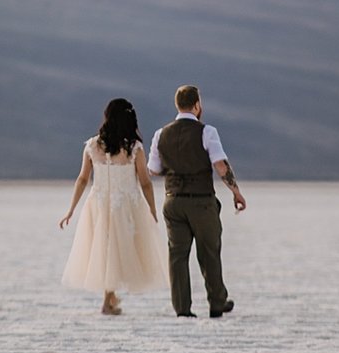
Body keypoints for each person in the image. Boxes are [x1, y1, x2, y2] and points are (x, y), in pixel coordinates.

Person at [59, 98, 166, 314]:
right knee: (119, 250)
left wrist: (71, 209)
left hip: (98, 203)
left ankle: (110, 298)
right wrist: (152, 209)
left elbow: (82, 179)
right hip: (125, 204)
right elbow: (144, 182)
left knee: (106, 248)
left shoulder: (92, 145)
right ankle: (108, 300)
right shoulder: (134, 147)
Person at [148, 84, 246, 319]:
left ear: (177, 105)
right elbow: (220, 166)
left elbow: (153, 169)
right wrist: (236, 192)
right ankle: (216, 303)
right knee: (209, 252)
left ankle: (182, 308)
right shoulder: (207, 132)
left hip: (172, 202)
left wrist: (175, 171)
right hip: (201, 202)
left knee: (177, 255)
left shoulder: (161, 134)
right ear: (197, 105)